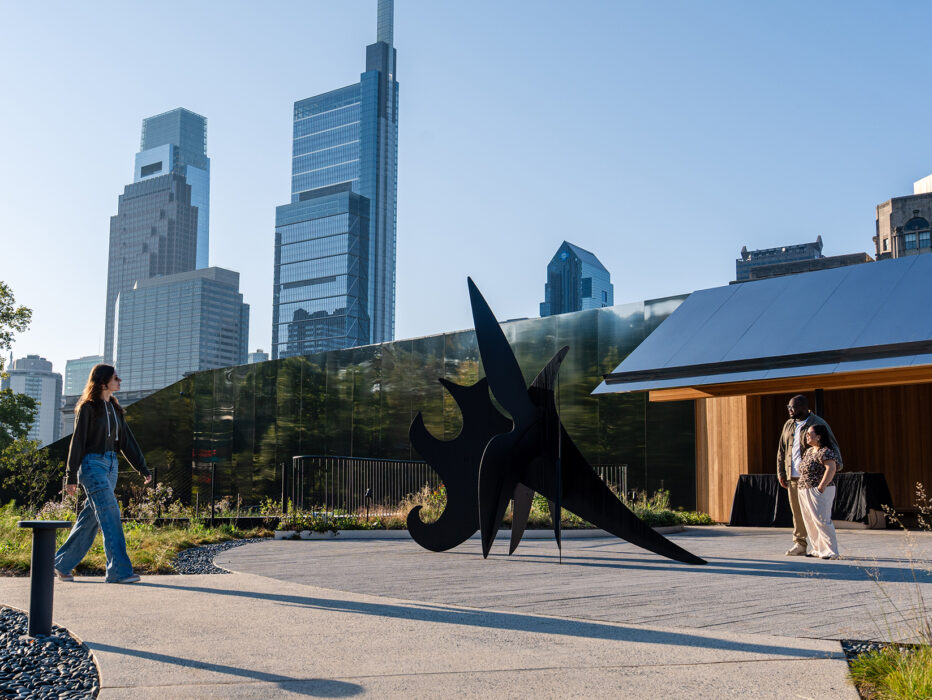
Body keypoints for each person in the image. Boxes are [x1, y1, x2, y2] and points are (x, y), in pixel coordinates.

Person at [54, 364, 151, 583]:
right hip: (92, 465)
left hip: (111, 466)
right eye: (116, 378)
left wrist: (142, 467)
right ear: (103, 381)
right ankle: (118, 570)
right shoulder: (88, 408)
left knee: (90, 519)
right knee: (110, 514)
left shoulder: (115, 409)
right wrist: (70, 477)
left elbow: (127, 441)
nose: (120, 381)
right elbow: (77, 441)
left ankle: (62, 563)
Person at [776, 394, 841, 556]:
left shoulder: (817, 423)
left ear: (804, 407)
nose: (790, 410)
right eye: (788, 407)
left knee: (818, 517)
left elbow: (832, 444)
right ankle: (801, 544)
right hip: (793, 475)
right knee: (799, 513)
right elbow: (781, 450)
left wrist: (835, 466)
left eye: (793, 407)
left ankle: (826, 549)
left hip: (814, 477)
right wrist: (781, 471)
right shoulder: (788, 424)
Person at [797, 423, 841, 559]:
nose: (807, 436)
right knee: (809, 520)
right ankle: (817, 548)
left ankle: (831, 551)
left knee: (822, 519)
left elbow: (831, 468)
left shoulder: (826, 451)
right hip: (804, 489)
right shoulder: (809, 452)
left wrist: (821, 486)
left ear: (819, 436)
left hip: (820, 489)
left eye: (810, 434)